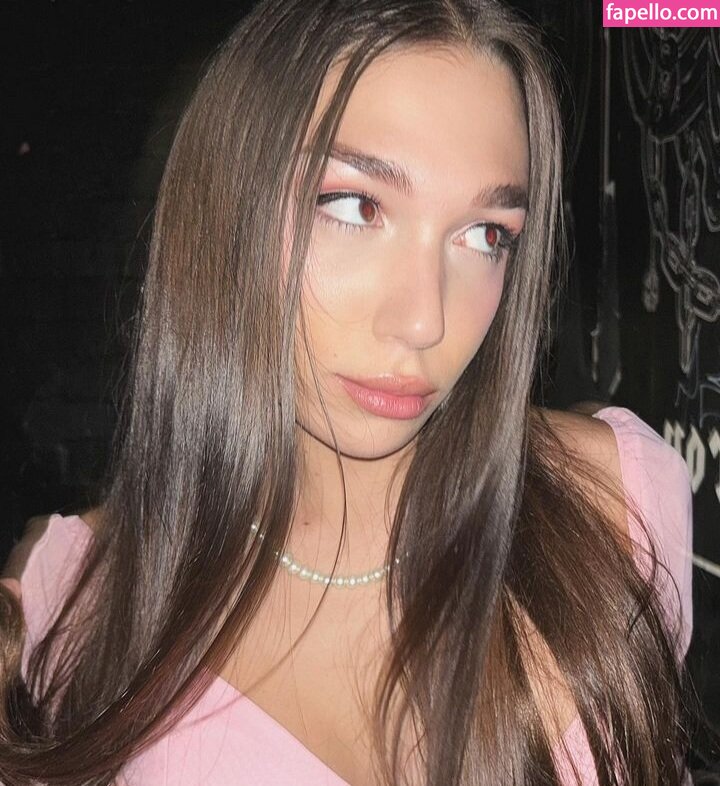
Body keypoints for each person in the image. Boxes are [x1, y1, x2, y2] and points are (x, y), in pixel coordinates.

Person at [0, 1, 697, 784]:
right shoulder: (73, 614)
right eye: (356, 207)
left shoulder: (616, 506)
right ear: (228, 209)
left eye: (484, 235)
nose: (424, 321)